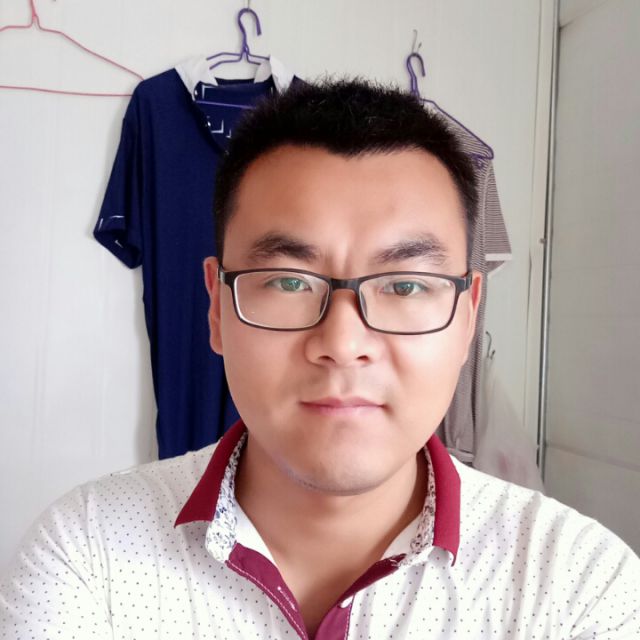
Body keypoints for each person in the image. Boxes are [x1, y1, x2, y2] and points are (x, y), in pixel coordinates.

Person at [1, 79, 638, 639]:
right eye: (287, 281)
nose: (342, 341)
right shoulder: (86, 553)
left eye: (405, 285)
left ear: (468, 317)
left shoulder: (579, 585)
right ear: (217, 308)